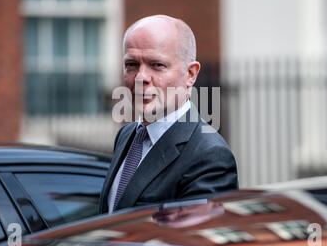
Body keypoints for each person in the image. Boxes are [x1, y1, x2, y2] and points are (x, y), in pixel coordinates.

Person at [99, 15, 238, 213]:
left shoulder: (209, 155)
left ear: (190, 74)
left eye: (157, 65)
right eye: (131, 65)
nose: (141, 78)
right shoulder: (126, 135)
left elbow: (193, 241)